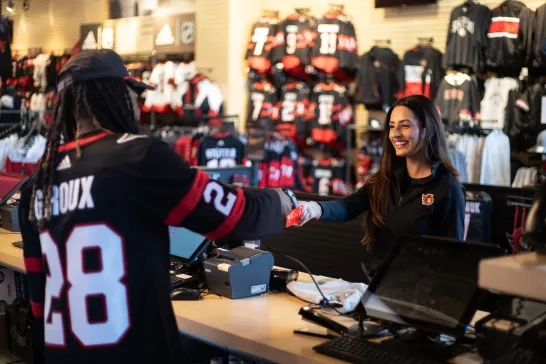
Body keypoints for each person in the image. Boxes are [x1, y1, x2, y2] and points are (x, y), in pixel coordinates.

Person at [18, 49, 296, 364]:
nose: (140, 103)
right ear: (114, 94)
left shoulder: (38, 180)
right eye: (134, 92)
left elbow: (38, 300)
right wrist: (281, 200)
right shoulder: (139, 157)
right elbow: (233, 216)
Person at [297, 95, 466, 271]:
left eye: (405, 125)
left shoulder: (447, 188)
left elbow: (452, 258)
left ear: (427, 129)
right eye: (392, 127)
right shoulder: (386, 178)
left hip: (418, 292)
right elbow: (350, 205)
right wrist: (314, 209)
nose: (396, 134)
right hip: (379, 285)